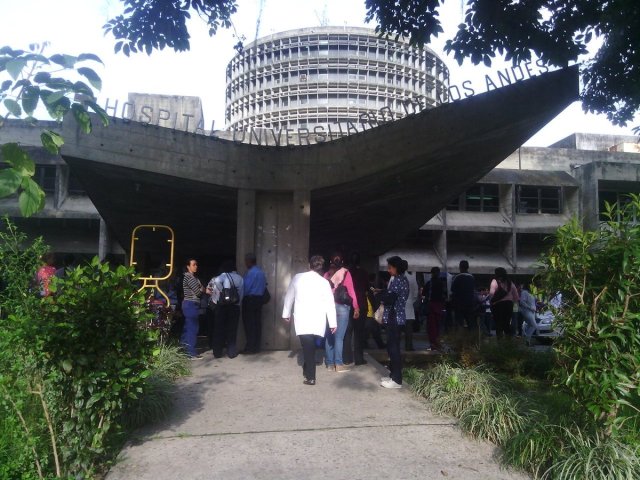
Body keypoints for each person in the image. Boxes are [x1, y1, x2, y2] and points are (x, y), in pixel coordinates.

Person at [282, 255, 337, 385]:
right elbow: (330, 303)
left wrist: (286, 313)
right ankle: (308, 366)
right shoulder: (324, 282)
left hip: (302, 318)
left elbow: (289, 296)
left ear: (309, 265)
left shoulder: (298, 278)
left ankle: (311, 377)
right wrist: (333, 322)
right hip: (318, 320)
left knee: (307, 345)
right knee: (309, 346)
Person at [324, 253, 360, 372]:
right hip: (342, 307)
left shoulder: (327, 274)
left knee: (329, 336)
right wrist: (356, 307)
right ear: (342, 261)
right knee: (339, 337)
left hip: (328, 307)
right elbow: (351, 291)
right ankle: (338, 364)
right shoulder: (346, 273)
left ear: (330, 262)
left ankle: (329, 364)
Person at [379, 256, 409, 389]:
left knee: (393, 348)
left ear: (396, 267)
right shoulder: (401, 279)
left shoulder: (398, 280)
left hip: (394, 317)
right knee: (392, 347)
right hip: (396, 317)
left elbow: (390, 298)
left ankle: (397, 379)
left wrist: (380, 296)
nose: (388, 269)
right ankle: (393, 375)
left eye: (390, 267)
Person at [209, 260, 244, 358]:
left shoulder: (223, 276)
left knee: (219, 329)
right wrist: (237, 303)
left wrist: (222, 291)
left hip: (222, 306)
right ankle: (231, 352)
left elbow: (216, 281)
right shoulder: (239, 278)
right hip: (234, 307)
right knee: (232, 329)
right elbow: (241, 292)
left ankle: (217, 352)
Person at [242, 252, 267, 354]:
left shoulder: (251, 273)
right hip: (259, 300)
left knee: (249, 324)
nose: (245, 263)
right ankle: (256, 347)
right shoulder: (261, 272)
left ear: (249, 261)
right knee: (257, 324)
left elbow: (246, 288)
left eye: (246, 261)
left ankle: (250, 347)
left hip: (250, 300)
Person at [347, 252, 369, 365]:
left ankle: (347, 358)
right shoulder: (364, 273)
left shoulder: (347, 272)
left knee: (348, 332)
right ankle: (359, 358)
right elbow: (366, 287)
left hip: (348, 304)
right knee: (359, 333)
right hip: (361, 304)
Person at [181, 258, 204, 359]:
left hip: (189, 304)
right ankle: (191, 352)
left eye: (196, 264)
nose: (196, 266)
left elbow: (202, 289)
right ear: (188, 266)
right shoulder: (190, 277)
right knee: (192, 328)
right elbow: (199, 292)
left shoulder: (193, 278)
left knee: (188, 327)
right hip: (191, 304)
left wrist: (201, 289)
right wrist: (201, 289)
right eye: (193, 265)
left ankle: (183, 349)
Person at [489, 267, 519, 339]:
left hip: (497, 306)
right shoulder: (510, 283)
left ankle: (500, 344)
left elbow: (491, 294)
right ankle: (507, 343)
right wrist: (515, 310)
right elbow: (516, 298)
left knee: (498, 325)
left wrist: (491, 303)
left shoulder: (494, 281)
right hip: (508, 305)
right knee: (506, 324)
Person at [424, 266, 446, 351]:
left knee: (431, 326)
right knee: (439, 326)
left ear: (431, 273)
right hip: (440, 306)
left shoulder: (429, 283)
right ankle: (439, 344)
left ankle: (433, 344)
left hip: (431, 306)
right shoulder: (442, 283)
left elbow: (423, 293)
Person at [451, 260, 477, 330]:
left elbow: (452, 289)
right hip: (470, 303)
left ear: (460, 267)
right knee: (470, 322)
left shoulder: (457, 277)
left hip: (459, 304)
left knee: (459, 323)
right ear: (468, 267)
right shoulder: (472, 277)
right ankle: (471, 338)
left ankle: (460, 337)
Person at [403, 261, 419, 351]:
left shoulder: (394, 278)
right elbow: (416, 293)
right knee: (409, 328)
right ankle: (408, 346)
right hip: (409, 306)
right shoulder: (412, 278)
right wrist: (411, 301)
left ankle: (394, 347)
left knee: (396, 329)